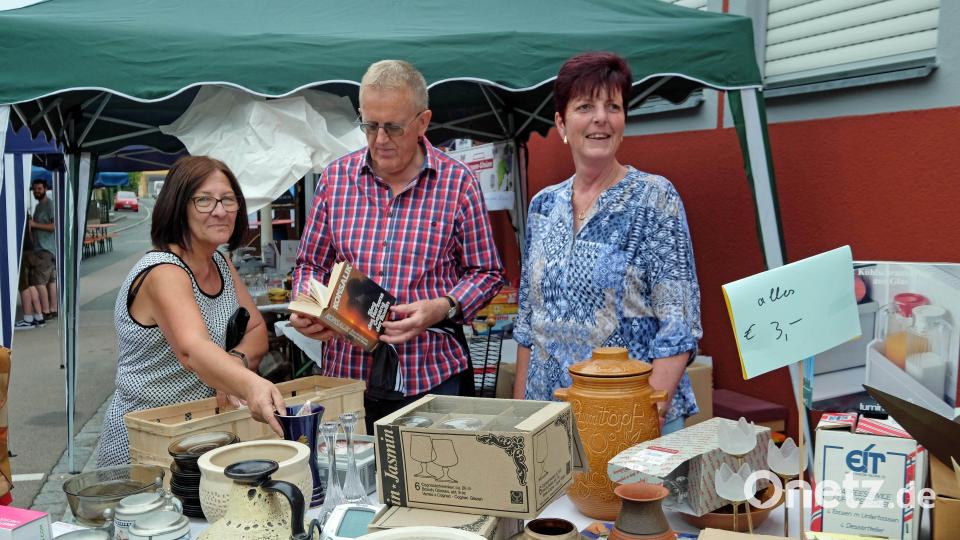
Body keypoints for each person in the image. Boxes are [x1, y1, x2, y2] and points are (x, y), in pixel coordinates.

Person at [290, 59, 505, 432]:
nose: (380, 140)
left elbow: (486, 273)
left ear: (423, 122)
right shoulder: (335, 180)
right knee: (352, 484)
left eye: (393, 127)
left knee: (433, 481)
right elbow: (311, 264)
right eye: (370, 125)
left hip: (431, 375)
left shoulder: (458, 184)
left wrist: (443, 306)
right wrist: (308, 306)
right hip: (347, 378)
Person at [512, 52, 702, 435]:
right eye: (585, 106)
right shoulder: (542, 206)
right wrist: (520, 421)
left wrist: (645, 419)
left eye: (612, 106)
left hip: (630, 420)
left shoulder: (654, 199)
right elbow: (528, 325)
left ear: (623, 122)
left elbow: (679, 326)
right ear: (562, 124)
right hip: (551, 420)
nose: (601, 117)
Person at [96, 156, 286, 466]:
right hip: (147, 441)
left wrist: (232, 363)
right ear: (178, 206)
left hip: (200, 436)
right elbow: (192, 351)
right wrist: (252, 385)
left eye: (228, 200)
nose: (220, 211)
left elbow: (255, 331)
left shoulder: (220, 264)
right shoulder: (162, 270)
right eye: (204, 201)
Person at [26, 178, 57, 320]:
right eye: (34, 189)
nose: (36, 191)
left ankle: (46, 310)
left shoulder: (49, 205)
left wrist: (34, 224)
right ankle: (53, 308)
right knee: (50, 281)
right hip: (45, 249)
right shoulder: (38, 206)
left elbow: (54, 227)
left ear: (45, 188)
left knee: (39, 282)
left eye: (39, 188)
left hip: (45, 249)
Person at [14, 220, 46, 330]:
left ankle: (28, 319)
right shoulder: (25, 213)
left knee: (23, 286)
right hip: (30, 250)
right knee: (31, 285)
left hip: (22, 251)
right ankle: (39, 316)